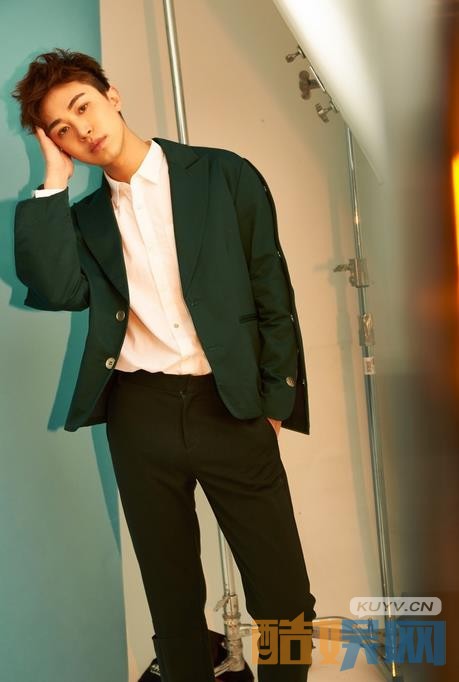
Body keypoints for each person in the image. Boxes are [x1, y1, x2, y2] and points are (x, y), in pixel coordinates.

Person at [12, 49, 317, 682]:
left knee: (285, 599)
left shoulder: (223, 175)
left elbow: (271, 289)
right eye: (61, 128)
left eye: (83, 107)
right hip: (140, 415)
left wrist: (274, 403)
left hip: (230, 406)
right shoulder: (85, 220)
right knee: (172, 601)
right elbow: (56, 288)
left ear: (112, 96)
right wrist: (53, 179)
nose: (81, 130)